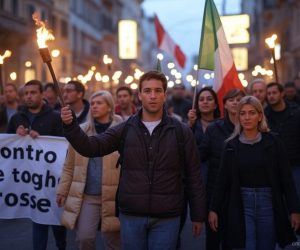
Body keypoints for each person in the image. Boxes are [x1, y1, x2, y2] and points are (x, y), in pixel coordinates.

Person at [61, 70, 206, 250]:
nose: (152, 96)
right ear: (140, 95)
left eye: (157, 90)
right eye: (147, 91)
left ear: (164, 95)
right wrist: (71, 127)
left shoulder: (181, 131)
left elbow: (194, 175)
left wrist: (198, 215)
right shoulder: (125, 128)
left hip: (167, 216)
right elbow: (91, 147)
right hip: (131, 215)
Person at [209, 96, 300, 249]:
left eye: (251, 113)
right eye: (242, 113)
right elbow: (222, 181)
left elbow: (286, 179)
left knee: (266, 246)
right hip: (241, 202)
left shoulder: (273, 142)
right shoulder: (231, 146)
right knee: (246, 245)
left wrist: (295, 210)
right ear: (238, 117)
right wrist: (214, 209)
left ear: (259, 116)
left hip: (268, 202)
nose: (247, 117)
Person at [57, 90, 122, 250]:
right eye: (92, 103)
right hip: (88, 196)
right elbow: (69, 164)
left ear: (109, 107)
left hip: (114, 196)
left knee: (113, 241)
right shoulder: (80, 131)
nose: (94, 106)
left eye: (99, 103)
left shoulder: (121, 130)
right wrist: (62, 190)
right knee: (84, 238)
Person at [6, 80, 66, 250]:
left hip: (51, 179)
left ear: (42, 95)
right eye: (26, 93)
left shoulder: (55, 117)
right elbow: (8, 147)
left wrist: (41, 139)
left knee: (56, 221)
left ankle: (61, 245)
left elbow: (62, 145)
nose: (29, 96)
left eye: (33, 92)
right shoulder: (17, 117)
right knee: (38, 218)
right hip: (30, 180)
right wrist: (17, 136)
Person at [199, 88, 245, 250]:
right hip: (216, 192)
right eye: (231, 100)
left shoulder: (250, 127)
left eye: (239, 99)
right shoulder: (214, 129)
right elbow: (200, 155)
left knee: (233, 239)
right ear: (224, 105)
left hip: (242, 191)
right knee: (213, 236)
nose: (235, 102)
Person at [265, 82, 300, 221]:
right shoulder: (265, 115)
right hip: (275, 166)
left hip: (295, 164)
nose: (271, 96)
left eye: (274, 93)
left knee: (296, 197)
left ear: (282, 94)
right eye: (269, 94)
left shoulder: (295, 112)